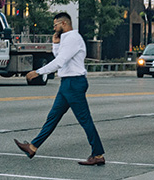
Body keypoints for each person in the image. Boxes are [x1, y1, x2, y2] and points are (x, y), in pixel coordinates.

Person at [14, 11, 106, 166]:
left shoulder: (73, 38)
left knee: (85, 120)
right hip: (67, 84)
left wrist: (38, 72)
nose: (54, 27)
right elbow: (59, 57)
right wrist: (56, 43)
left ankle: (97, 154)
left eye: (55, 24)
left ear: (64, 23)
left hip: (74, 83)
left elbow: (60, 62)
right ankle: (32, 147)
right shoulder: (66, 39)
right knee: (52, 118)